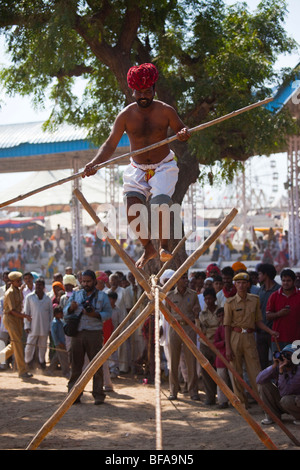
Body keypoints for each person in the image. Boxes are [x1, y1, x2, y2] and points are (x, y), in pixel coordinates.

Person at [82, 62, 190, 269]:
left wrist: (184, 133)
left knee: (160, 203)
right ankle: (148, 247)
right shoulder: (125, 115)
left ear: (154, 90)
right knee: (132, 208)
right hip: (137, 168)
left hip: (163, 167)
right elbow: (110, 144)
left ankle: (163, 246)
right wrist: (95, 163)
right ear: (133, 91)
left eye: (147, 91)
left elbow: (181, 131)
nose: (143, 96)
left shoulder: (166, 111)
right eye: (139, 92)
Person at [224, 272, 279, 407]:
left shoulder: (255, 299)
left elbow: (258, 321)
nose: (241, 285)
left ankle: (262, 402)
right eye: (238, 283)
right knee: (236, 371)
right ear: (235, 285)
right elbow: (226, 326)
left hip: (249, 337)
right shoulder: (229, 302)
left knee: (255, 370)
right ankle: (241, 403)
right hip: (235, 337)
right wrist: (228, 347)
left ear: (248, 284)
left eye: (244, 283)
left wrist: (270, 331)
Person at [64, 270, 112, 405]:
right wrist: (70, 308)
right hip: (77, 334)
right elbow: (65, 312)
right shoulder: (76, 295)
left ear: (94, 281)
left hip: (94, 333)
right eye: (83, 281)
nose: (85, 284)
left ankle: (98, 395)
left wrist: (95, 315)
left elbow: (108, 313)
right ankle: (74, 395)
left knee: (96, 365)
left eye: (88, 281)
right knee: (76, 366)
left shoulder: (102, 296)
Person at [167, 272, 201, 401]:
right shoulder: (170, 296)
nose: (186, 280)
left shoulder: (193, 295)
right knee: (173, 360)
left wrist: (196, 311)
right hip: (175, 328)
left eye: (186, 278)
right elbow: (167, 313)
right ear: (176, 281)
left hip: (189, 327)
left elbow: (196, 309)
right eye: (183, 278)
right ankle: (173, 391)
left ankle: (193, 391)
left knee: (191, 360)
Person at [256, 344, 300, 425]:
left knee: (286, 400)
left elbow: (285, 393)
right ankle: (272, 416)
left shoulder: (298, 371)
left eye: (288, 355)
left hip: (294, 402)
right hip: (285, 402)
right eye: (283, 355)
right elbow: (259, 380)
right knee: (263, 385)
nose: (284, 358)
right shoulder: (279, 366)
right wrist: (274, 366)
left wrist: (281, 372)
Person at [1, 271, 33, 379]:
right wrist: (25, 316)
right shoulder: (9, 293)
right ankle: (22, 371)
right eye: (18, 281)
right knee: (18, 344)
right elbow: (12, 311)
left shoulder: (19, 290)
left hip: (17, 319)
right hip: (11, 319)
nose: (20, 282)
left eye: (20, 280)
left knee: (14, 344)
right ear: (12, 282)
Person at [266, 269, 300, 353]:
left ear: (294, 281)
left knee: (295, 364)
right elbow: (268, 316)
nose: (285, 283)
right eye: (283, 280)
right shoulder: (274, 296)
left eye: (288, 280)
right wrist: (279, 314)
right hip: (278, 338)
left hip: (296, 339)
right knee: (279, 364)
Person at [24, 278, 53, 370]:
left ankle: (41, 362)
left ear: (43, 287)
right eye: (37, 285)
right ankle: (27, 362)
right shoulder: (29, 297)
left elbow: (50, 315)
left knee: (43, 346)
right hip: (32, 326)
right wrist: (27, 325)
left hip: (44, 327)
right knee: (29, 346)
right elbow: (26, 312)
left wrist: (50, 328)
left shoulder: (48, 299)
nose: (38, 287)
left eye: (40, 285)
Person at [256, 263, 281, 369]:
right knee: (262, 363)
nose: (258, 276)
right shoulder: (259, 291)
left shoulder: (279, 291)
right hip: (261, 332)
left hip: (275, 332)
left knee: (279, 361)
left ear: (265, 274)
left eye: (260, 274)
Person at [199, 288, 220, 405]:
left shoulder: (220, 311)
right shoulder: (202, 314)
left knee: (220, 371)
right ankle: (210, 397)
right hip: (205, 344)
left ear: (215, 299)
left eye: (210, 298)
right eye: (206, 299)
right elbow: (201, 329)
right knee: (206, 371)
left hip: (217, 345)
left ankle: (223, 397)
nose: (208, 301)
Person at [214, 307, 233, 409]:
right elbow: (215, 343)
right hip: (221, 357)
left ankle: (237, 399)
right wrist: (224, 343)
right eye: (219, 316)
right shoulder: (219, 330)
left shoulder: (232, 328)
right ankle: (222, 401)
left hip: (231, 357)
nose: (221, 317)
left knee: (234, 380)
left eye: (223, 315)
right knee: (221, 380)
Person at [48, 305, 70, 379]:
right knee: (63, 358)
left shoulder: (61, 322)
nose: (62, 315)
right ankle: (65, 372)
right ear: (56, 314)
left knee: (57, 357)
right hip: (59, 343)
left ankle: (50, 369)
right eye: (60, 313)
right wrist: (57, 342)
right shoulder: (55, 323)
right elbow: (54, 334)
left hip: (63, 342)